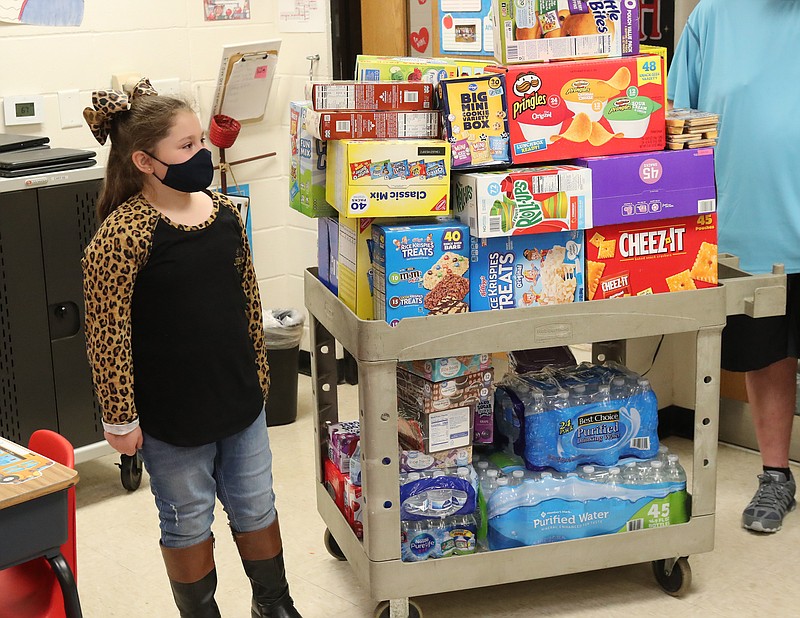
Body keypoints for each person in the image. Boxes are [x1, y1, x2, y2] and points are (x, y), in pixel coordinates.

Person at [81, 78, 302, 617]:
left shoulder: (225, 213)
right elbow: (106, 335)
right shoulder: (123, 235)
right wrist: (120, 417)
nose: (201, 154)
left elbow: (249, 303)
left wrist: (260, 379)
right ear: (144, 161)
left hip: (238, 401)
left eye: (200, 141)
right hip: (171, 414)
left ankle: (273, 604)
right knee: (187, 516)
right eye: (186, 146)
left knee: (256, 504)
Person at [669, 0, 800, 533]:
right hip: (750, 232)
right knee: (767, 358)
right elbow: (681, 124)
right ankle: (775, 475)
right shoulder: (713, 17)